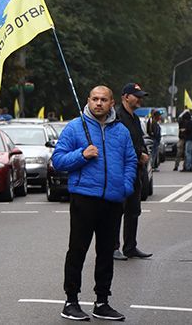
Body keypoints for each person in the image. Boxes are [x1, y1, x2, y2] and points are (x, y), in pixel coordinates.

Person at [53, 85, 137, 321]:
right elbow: (58, 160)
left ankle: (102, 302)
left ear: (112, 103)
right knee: (77, 250)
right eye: (95, 99)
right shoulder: (75, 127)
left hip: (113, 200)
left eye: (103, 100)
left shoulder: (121, 131)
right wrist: (82, 155)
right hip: (84, 198)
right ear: (88, 100)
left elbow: (130, 161)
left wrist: (125, 187)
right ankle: (71, 301)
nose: (99, 103)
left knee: (106, 253)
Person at [114, 83, 152, 261]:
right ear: (125, 97)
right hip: (121, 171)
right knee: (117, 211)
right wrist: (139, 154)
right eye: (136, 96)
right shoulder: (117, 117)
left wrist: (144, 152)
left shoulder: (135, 118)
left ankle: (130, 247)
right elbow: (118, 144)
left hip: (135, 170)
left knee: (133, 209)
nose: (139, 99)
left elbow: (139, 140)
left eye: (140, 96)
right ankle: (113, 247)